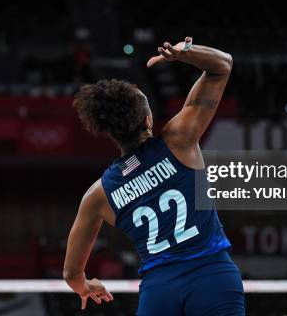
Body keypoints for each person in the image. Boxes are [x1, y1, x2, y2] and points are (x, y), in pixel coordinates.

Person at [63, 37, 245, 315]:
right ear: (147, 119)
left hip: (160, 290)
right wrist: (184, 52)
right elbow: (222, 65)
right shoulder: (179, 139)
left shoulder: (98, 194)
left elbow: (71, 273)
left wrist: (85, 286)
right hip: (212, 275)